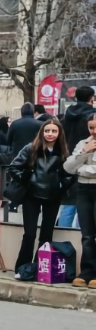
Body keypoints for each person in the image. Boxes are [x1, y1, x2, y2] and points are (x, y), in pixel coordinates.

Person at [7, 117, 72, 280]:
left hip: (53, 196)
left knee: (46, 235)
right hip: (31, 195)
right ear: (42, 132)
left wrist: (62, 185)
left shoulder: (63, 151)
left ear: (59, 133)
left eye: (54, 131)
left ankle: (39, 268)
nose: (50, 134)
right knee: (29, 234)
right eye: (47, 130)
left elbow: (71, 173)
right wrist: (26, 178)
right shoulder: (31, 148)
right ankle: (21, 267)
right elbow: (13, 167)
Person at [64, 114, 96, 287]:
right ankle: (86, 272)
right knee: (87, 235)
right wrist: (85, 152)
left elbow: (80, 170)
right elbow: (69, 167)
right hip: (83, 190)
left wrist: (83, 169)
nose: (94, 131)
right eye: (91, 127)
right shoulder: (83, 143)